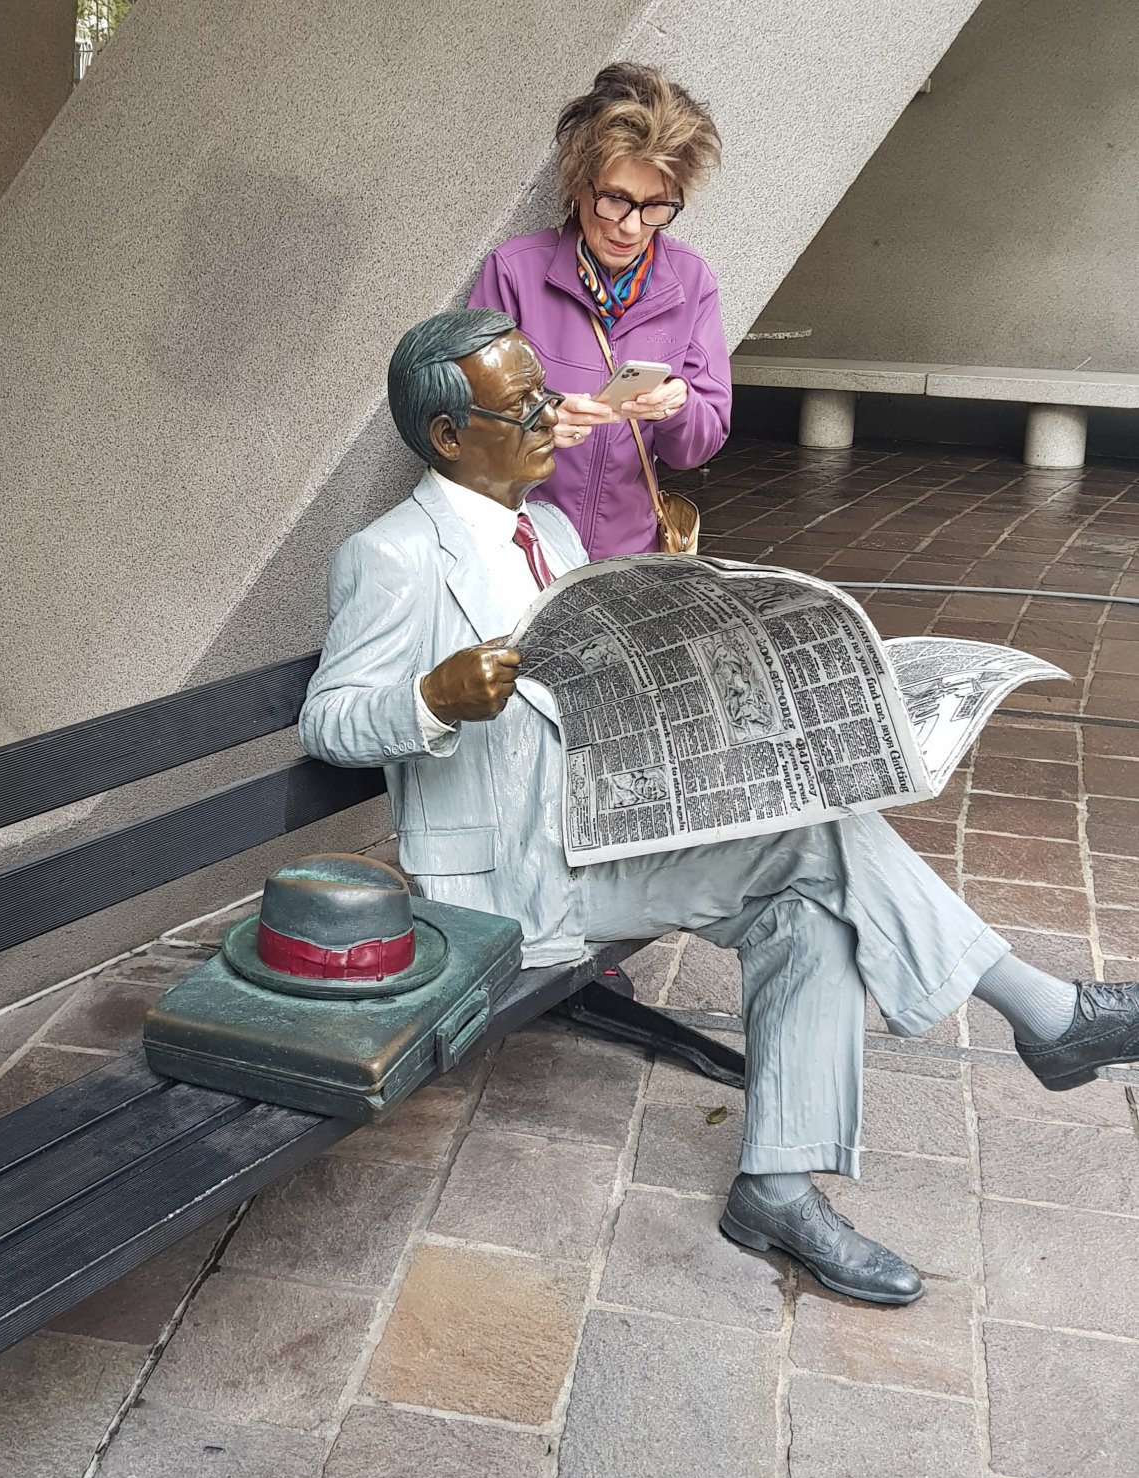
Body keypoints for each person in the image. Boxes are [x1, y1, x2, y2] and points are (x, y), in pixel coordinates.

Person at [300, 308, 1139, 1306]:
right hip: (509, 880)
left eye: (543, 391)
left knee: (808, 903)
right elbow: (329, 720)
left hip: (611, 826)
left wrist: (687, 604)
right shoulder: (392, 556)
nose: (549, 414)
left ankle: (779, 1189)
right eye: (521, 403)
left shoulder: (555, 529)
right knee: (815, 844)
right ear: (448, 435)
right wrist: (432, 700)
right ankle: (1044, 1014)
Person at [468, 63, 730, 559]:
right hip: (523, 552)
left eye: (656, 206)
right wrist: (541, 420)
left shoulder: (691, 281)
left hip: (628, 560)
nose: (631, 227)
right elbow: (464, 421)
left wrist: (677, 406)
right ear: (579, 185)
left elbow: (700, 444)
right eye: (615, 199)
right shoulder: (515, 273)